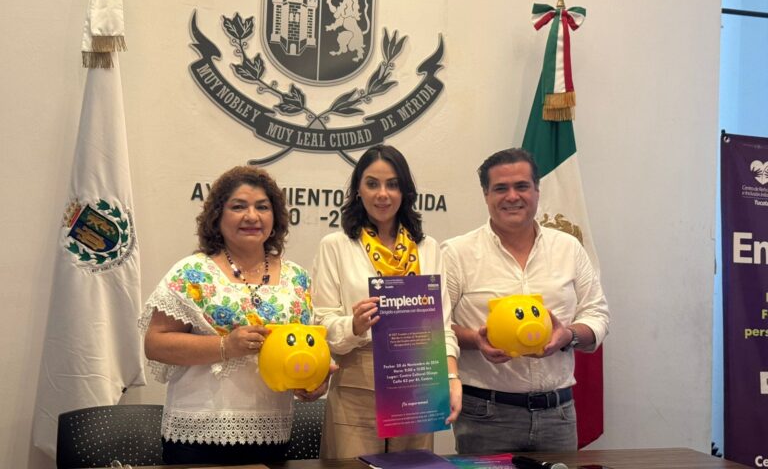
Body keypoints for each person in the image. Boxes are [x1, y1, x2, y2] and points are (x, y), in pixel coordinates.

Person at [139, 165, 328, 465]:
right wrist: (226, 346)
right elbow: (155, 344)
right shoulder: (193, 272)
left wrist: (314, 381)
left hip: (271, 434)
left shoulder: (297, 278)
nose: (252, 216)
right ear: (218, 216)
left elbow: (305, 348)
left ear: (275, 218)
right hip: (198, 435)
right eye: (238, 206)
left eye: (262, 207)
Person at [443, 148, 609, 453]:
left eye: (521, 186)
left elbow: (597, 314)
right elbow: (436, 326)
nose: (512, 196)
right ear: (486, 195)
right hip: (486, 415)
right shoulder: (456, 253)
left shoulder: (569, 248)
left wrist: (568, 335)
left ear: (536, 190)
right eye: (500, 188)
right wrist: (476, 339)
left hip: (558, 415)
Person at [312, 144, 462, 459]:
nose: (383, 194)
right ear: (358, 190)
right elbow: (321, 324)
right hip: (356, 386)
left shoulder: (428, 248)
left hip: (417, 381)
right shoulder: (336, 246)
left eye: (392, 184)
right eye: (372, 184)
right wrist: (353, 325)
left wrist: (451, 377)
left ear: (404, 191)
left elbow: (442, 327)